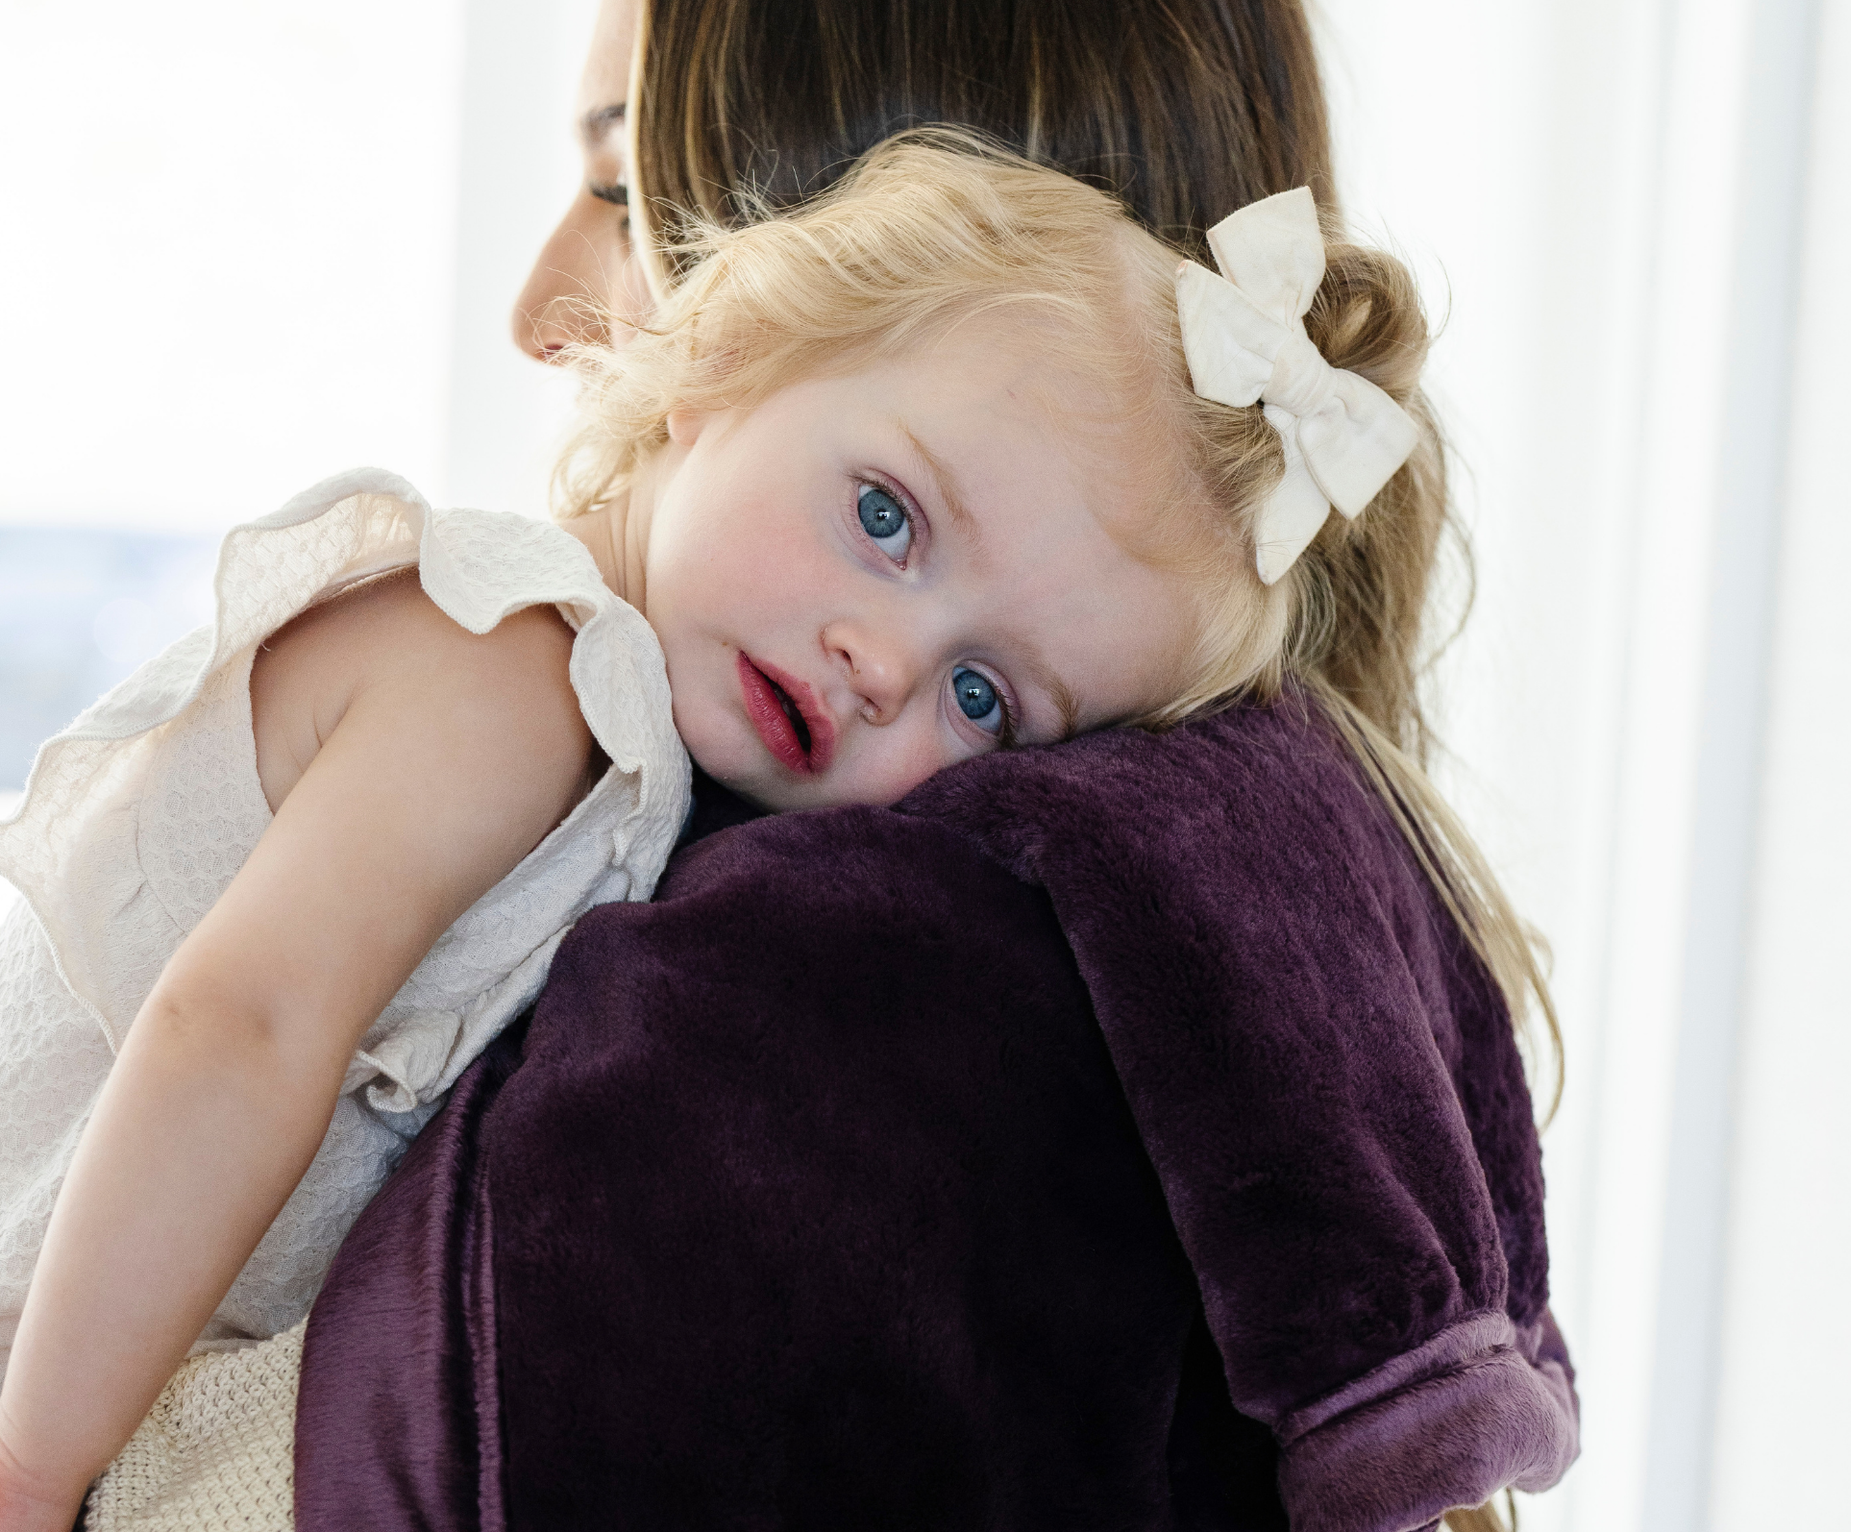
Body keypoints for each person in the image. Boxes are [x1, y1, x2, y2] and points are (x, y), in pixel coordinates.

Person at [0, 134, 1426, 1523]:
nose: (883, 659)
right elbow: (233, 1030)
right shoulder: (511, 663)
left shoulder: (650, 779)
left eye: (982, 693)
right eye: (885, 515)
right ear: (733, 351)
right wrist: (31, 1474)